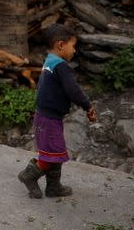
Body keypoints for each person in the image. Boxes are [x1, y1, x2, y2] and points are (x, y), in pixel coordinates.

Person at [17, 24, 97, 198]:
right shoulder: (61, 66)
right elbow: (73, 90)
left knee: (55, 153)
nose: (74, 51)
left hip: (43, 116)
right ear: (60, 45)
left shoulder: (49, 62)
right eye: (73, 46)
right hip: (49, 119)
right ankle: (29, 175)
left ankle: (53, 187)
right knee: (52, 154)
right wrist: (87, 106)